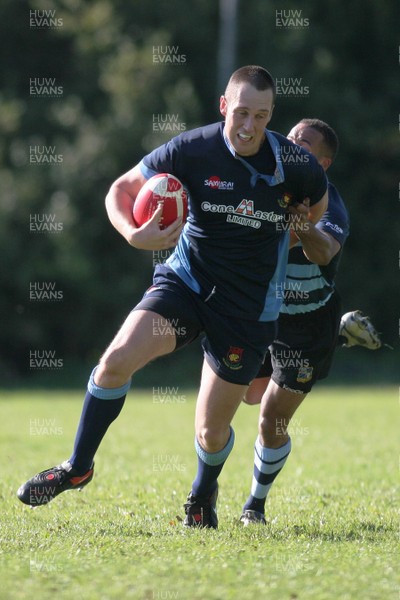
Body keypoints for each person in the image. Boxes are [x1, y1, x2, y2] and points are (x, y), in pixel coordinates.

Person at [17, 66, 329, 529]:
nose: (249, 126)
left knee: (211, 430)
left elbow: (313, 221)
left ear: (271, 116)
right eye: (241, 112)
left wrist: (295, 228)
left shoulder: (297, 167)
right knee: (116, 360)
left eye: (260, 117)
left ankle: (203, 496)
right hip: (186, 285)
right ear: (224, 106)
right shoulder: (192, 148)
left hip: (246, 311)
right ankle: (77, 466)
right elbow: (120, 190)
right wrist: (133, 234)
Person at [239, 118, 354, 525]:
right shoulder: (259, 185)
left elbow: (323, 253)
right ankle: (341, 337)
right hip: (264, 316)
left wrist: (300, 223)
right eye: (287, 138)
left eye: (301, 142)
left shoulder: (330, 202)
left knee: (271, 418)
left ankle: (255, 505)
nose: (289, 145)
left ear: (321, 163)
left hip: (306, 328)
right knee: (245, 395)